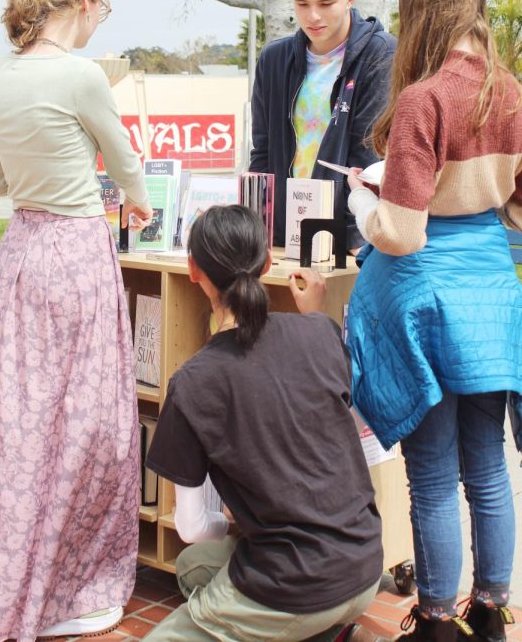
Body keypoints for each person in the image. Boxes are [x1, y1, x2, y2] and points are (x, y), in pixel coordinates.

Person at [0, 0, 153, 642]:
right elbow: (127, 165)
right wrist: (137, 203)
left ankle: (12, 579)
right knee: (90, 424)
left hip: (19, 257)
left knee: (19, 428)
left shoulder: (0, 75)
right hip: (74, 253)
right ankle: (73, 583)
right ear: (88, 2)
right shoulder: (81, 75)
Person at [345, 0, 522, 642]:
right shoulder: (511, 92)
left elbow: (403, 234)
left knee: (431, 471)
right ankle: (493, 609)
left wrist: (365, 202)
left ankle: (439, 622)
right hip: (491, 296)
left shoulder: (424, 99)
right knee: (487, 464)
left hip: (426, 299)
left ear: (422, 11)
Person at [142, 204, 383, 641]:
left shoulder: (194, 381)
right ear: (268, 263)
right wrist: (315, 310)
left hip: (293, 585)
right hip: (363, 564)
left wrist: (234, 519)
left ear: (193, 269)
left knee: (196, 572)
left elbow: (194, 528)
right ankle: (332, 632)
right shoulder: (320, 332)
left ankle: (300, 627)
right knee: (194, 568)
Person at [250, 0, 396, 251]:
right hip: (279, 235)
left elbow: (366, 157)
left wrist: (352, 237)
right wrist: (256, 227)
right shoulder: (274, 60)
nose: (313, 16)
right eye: (301, 4)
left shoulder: (380, 54)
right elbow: (262, 153)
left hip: (348, 237)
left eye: (326, 4)